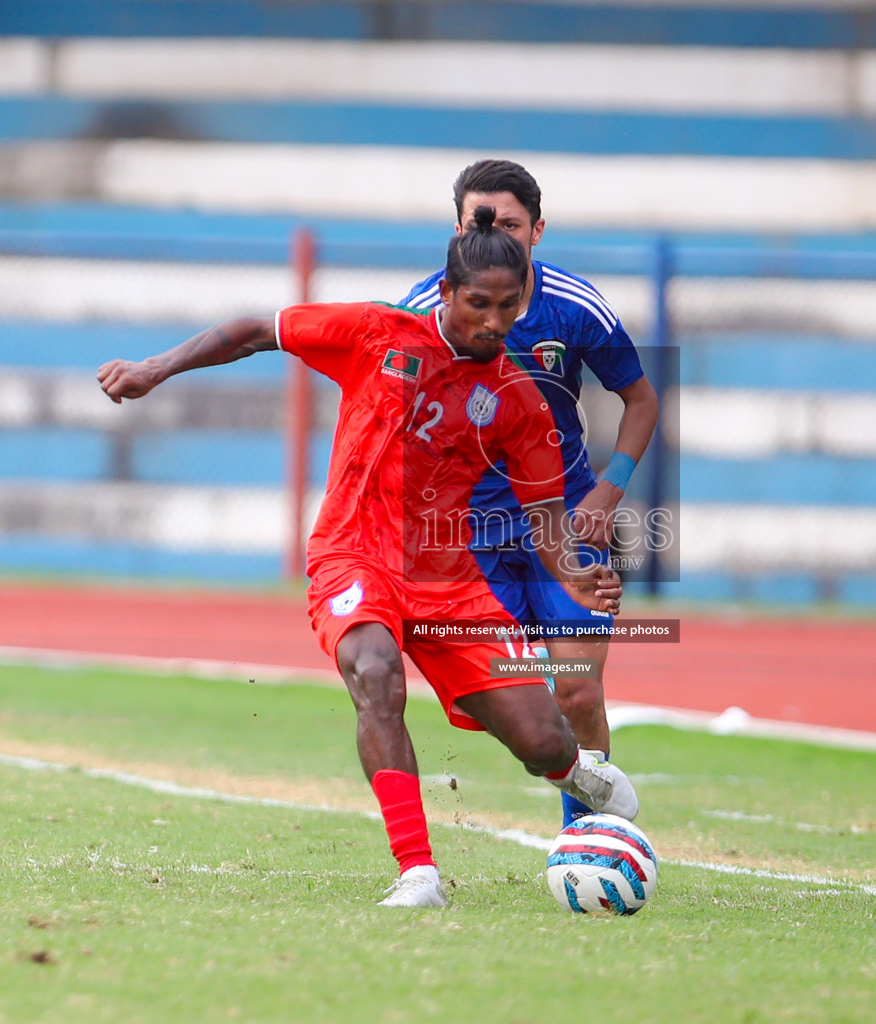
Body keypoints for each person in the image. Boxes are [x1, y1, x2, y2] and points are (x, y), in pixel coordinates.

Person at [97, 208, 639, 908]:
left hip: (449, 582)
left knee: (539, 742)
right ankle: (418, 872)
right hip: (353, 553)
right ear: (447, 292)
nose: (495, 321)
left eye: (510, 306)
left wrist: (575, 571)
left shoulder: (519, 403)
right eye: (480, 304)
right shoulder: (378, 331)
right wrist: (154, 368)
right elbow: (253, 331)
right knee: (376, 674)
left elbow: (546, 527)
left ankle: (577, 771)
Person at [400, 160, 659, 825]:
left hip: (564, 522)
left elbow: (640, 399)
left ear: (538, 230)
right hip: (473, 536)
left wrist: (608, 490)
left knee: (574, 691)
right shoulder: (417, 316)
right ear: (456, 231)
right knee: (500, 704)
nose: (497, 235)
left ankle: (591, 836)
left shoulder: (573, 306)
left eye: (509, 224)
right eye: (479, 223)